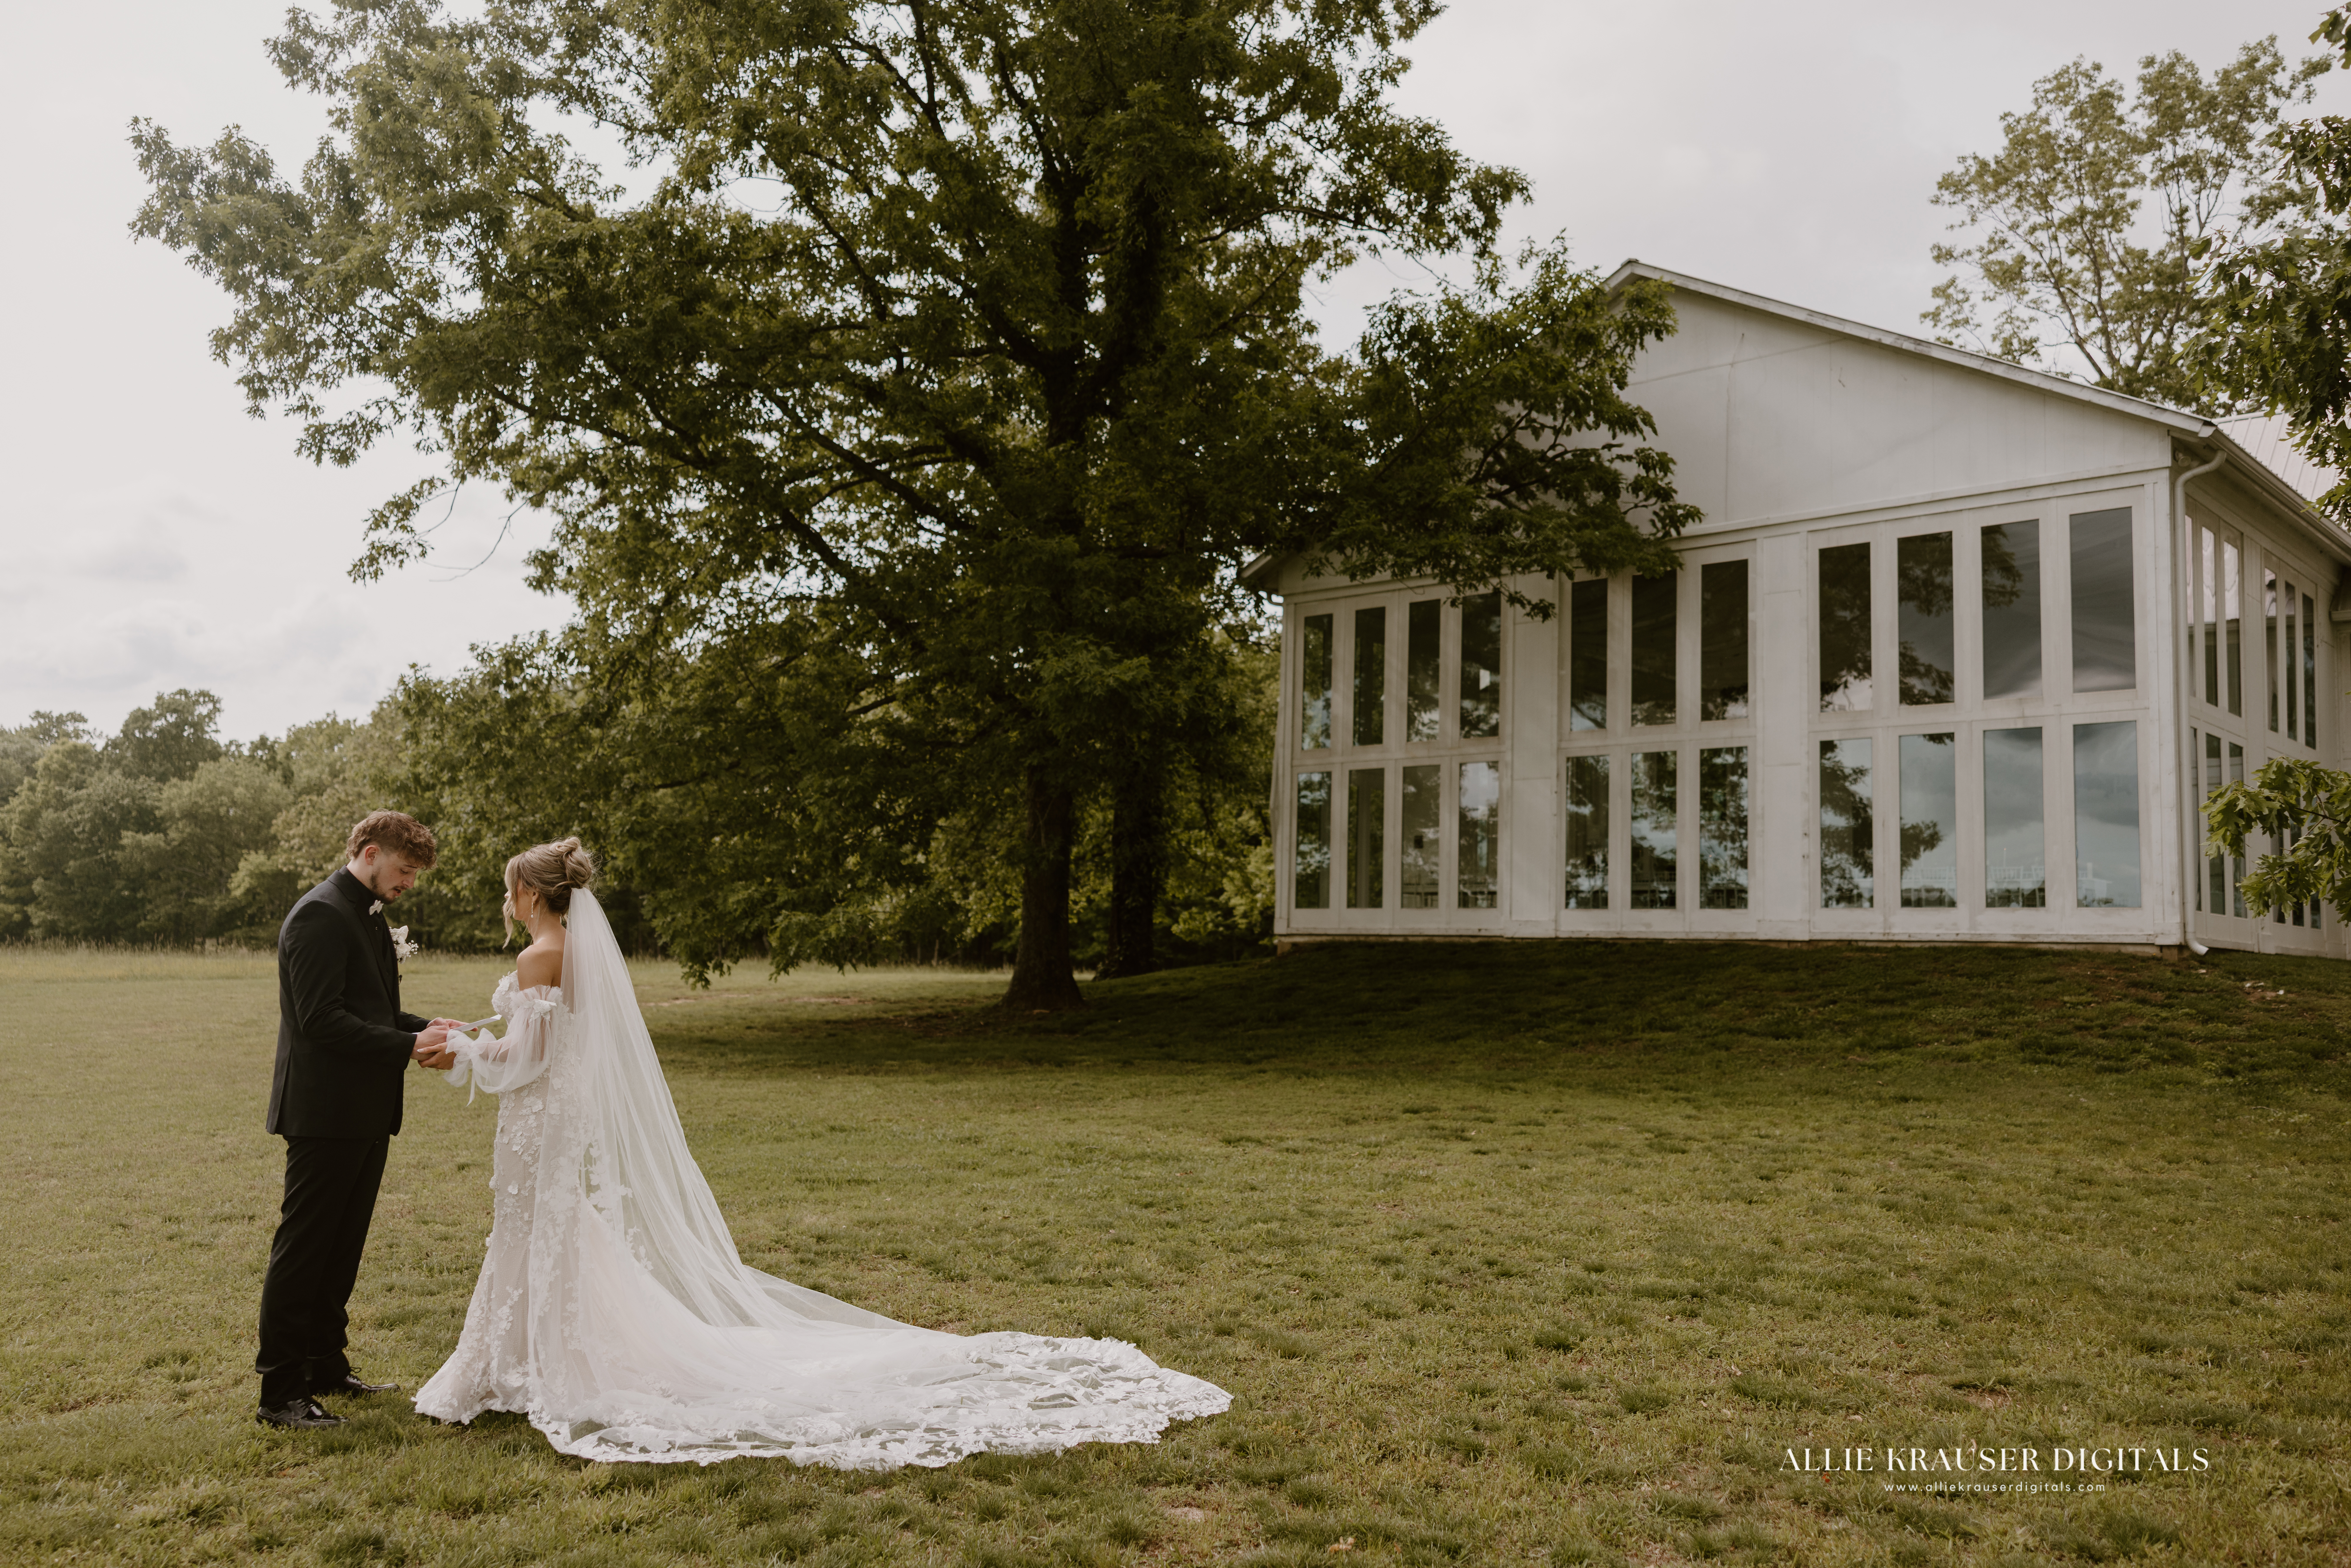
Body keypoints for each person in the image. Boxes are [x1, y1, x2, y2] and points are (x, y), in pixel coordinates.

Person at [413, 838, 1230, 1466]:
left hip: (536, 1116)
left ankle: (519, 1367)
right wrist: (476, 1037)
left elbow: (529, 1058)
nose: (508, 902)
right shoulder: (578, 955)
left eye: (509, 890)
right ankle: (526, 1360)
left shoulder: (537, 954)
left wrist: (463, 1054)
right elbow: (543, 1040)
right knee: (551, 1231)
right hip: (558, 1120)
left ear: (529, 892)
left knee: (534, 1230)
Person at [257, 810, 470, 1430]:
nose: (407, 885)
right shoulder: (321, 915)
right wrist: (409, 1048)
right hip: (324, 1111)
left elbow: (372, 1011)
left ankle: (325, 1364)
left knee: (341, 1249)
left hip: (365, 1109)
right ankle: (280, 1393)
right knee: (305, 1250)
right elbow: (321, 1020)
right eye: (404, 871)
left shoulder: (366, 914)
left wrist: (428, 1027)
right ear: (371, 853)